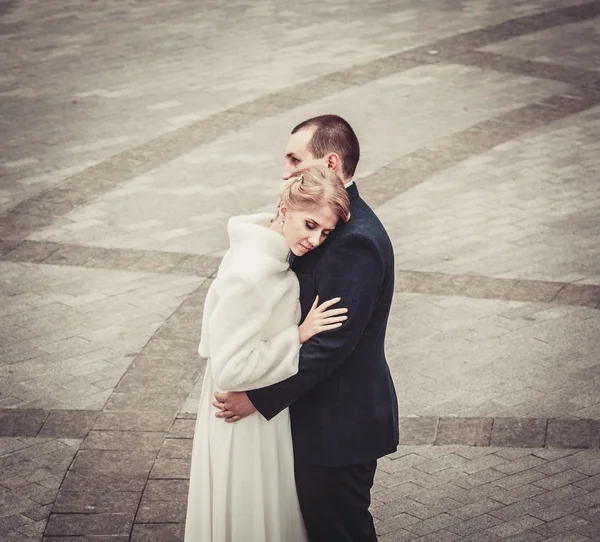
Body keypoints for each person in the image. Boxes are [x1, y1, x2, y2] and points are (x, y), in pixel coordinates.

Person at [214, 114, 399, 542]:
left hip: (339, 426)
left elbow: (331, 346)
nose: (286, 172)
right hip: (320, 421)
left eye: (295, 159)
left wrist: (256, 399)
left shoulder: (355, 240)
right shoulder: (325, 218)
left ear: (330, 163)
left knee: (340, 531)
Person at [184, 165, 352, 542]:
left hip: (257, 415)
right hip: (242, 420)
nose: (315, 240)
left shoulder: (264, 254)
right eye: (310, 225)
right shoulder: (251, 272)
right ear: (284, 209)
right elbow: (230, 369)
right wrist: (298, 335)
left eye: (325, 232)